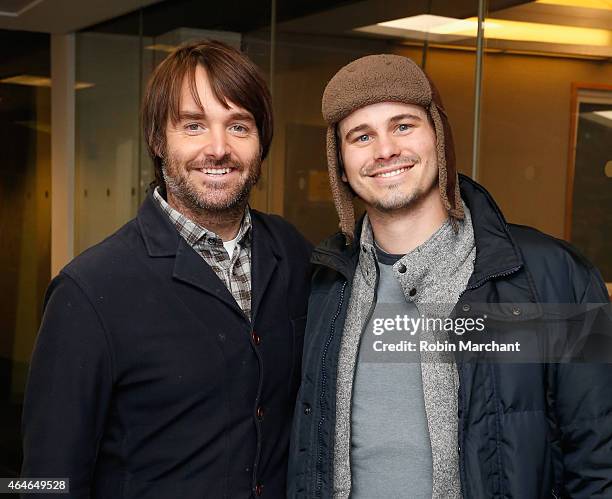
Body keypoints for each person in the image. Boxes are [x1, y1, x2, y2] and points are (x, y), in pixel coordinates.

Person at [288, 54, 612, 498]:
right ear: (340, 165)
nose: (385, 150)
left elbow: (599, 458)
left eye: (403, 126)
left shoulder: (551, 276)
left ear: (438, 138)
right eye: (361, 136)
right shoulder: (325, 285)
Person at [22, 40, 312, 498]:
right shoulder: (90, 290)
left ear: (261, 144)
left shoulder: (293, 254)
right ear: (158, 141)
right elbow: (44, 479)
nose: (218, 149)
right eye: (193, 126)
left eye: (238, 126)